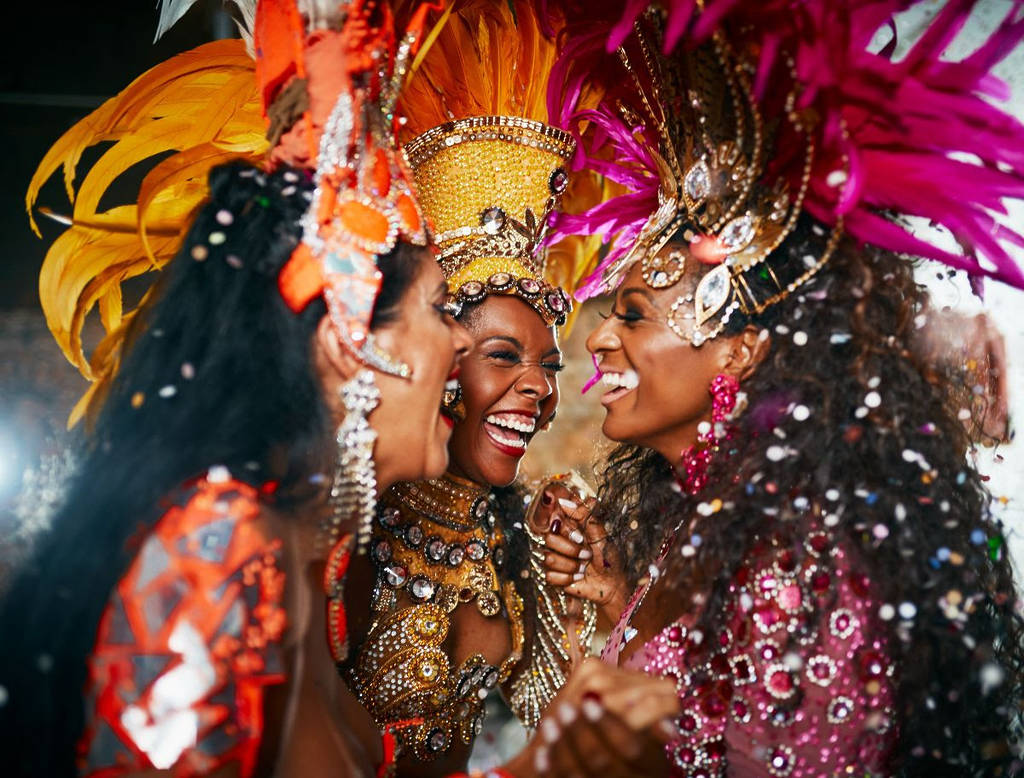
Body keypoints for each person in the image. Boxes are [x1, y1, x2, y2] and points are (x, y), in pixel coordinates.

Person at [1, 2, 681, 776]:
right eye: (439, 313)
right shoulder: (218, 540)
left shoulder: (306, 561)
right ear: (348, 339)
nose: (455, 343)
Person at [539, 1, 1024, 775]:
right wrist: (615, 601)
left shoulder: (802, 566)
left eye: (632, 314)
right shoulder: (699, 521)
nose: (599, 337)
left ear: (739, 352)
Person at [338, 1, 602, 773]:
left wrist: (578, 598)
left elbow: (557, 724)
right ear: (439, 355)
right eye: (501, 356)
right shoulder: (347, 528)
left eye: (548, 367)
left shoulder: (511, 538)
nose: (539, 390)